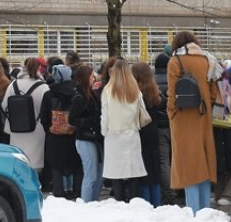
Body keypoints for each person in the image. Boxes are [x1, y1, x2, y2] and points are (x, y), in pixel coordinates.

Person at [166, 30, 219, 214]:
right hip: (203, 116)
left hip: (183, 117)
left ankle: (193, 211)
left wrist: (171, 114)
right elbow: (214, 93)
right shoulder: (208, 59)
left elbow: (172, 94)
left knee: (188, 164)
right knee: (203, 162)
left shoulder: (175, 61)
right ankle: (205, 211)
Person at [101, 60, 148, 202]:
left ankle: (119, 201)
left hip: (114, 135)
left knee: (117, 173)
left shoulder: (108, 90)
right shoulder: (135, 90)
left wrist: (104, 131)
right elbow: (142, 110)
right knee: (133, 171)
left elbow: (105, 115)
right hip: (132, 133)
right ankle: (134, 201)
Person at [39, 64, 81, 199]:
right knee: (76, 164)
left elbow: (44, 118)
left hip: (54, 137)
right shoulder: (76, 93)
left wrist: (50, 130)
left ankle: (59, 192)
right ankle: (77, 191)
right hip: (73, 135)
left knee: (56, 166)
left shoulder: (48, 94)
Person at [4, 57, 49, 172]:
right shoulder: (43, 86)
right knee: (35, 164)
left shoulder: (13, 85)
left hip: (16, 129)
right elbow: (47, 109)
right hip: (37, 130)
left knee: (19, 161)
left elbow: (4, 106)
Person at [131, 62, 165, 206]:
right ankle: (156, 203)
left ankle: (146, 205)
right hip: (153, 133)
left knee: (144, 173)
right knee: (154, 172)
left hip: (141, 134)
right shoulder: (155, 92)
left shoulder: (136, 94)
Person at [69, 64, 103, 202]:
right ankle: (86, 203)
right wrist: (92, 120)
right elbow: (73, 119)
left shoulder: (90, 94)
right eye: (91, 76)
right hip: (85, 138)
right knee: (91, 174)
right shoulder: (80, 97)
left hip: (91, 138)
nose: (94, 78)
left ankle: (92, 202)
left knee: (97, 174)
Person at [151, 53, 175, 204]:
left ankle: (169, 191)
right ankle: (179, 188)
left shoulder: (151, 82)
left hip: (159, 126)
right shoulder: (173, 79)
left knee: (163, 161)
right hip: (174, 124)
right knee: (176, 158)